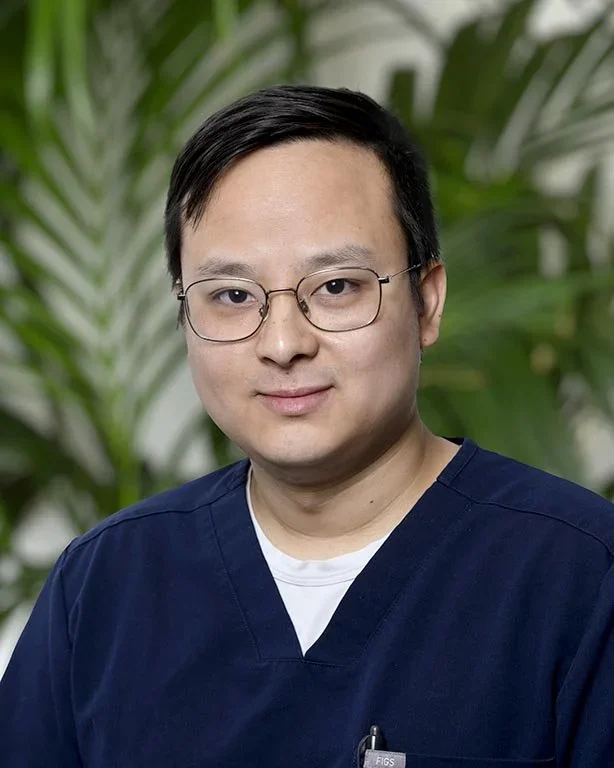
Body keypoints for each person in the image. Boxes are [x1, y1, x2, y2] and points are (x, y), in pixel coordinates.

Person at [1, 84, 613, 768]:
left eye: (336, 287)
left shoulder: (579, 576)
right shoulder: (106, 584)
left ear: (426, 301)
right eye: (232, 296)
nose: (283, 342)